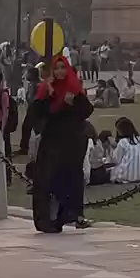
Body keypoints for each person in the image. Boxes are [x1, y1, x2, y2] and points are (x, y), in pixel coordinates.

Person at [30, 55, 94, 233]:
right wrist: (49, 96)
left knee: (69, 179)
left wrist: (72, 103)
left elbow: (86, 111)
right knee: (46, 179)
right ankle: (45, 219)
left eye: (62, 68)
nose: (60, 72)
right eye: (56, 68)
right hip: (51, 141)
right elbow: (36, 113)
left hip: (71, 142)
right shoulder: (45, 90)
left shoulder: (73, 89)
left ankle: (65, 216)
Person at [107, 117, 140, 183]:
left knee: (109, 170)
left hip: (127, 176)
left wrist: (112, 148)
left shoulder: (122, 142)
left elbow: (116, 160)